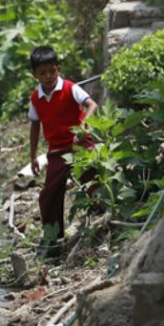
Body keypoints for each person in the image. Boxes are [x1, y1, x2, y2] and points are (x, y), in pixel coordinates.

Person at [28, 46, 99, 258]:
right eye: (42, 73)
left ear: (58, 69)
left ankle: (101, 217)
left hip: (80, 144)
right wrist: (33, 156)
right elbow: (34, 126)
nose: (48, 76)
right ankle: (53, 237)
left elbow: (92, 104)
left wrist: (84, 125)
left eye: (52, 71)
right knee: (49, 194)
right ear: (35, 75)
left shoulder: (70, 88)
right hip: (57, 150)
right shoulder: (35, 99)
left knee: (92, 179)